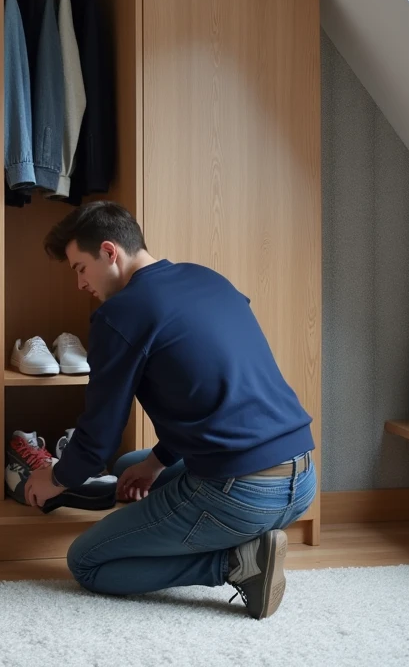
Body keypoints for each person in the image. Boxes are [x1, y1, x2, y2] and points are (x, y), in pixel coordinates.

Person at [22, 201, 316, 619]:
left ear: (109, 251)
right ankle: (242, 535)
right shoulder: (207, 279)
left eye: (80, 269)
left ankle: (236, 563)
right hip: (302, 478)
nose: (80, 284)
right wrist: (156, 462)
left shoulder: (119, 314)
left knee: (86, 561)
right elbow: (212, 394)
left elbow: (98, 437)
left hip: (243, 492)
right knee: (131, 467)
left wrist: (55, 477)